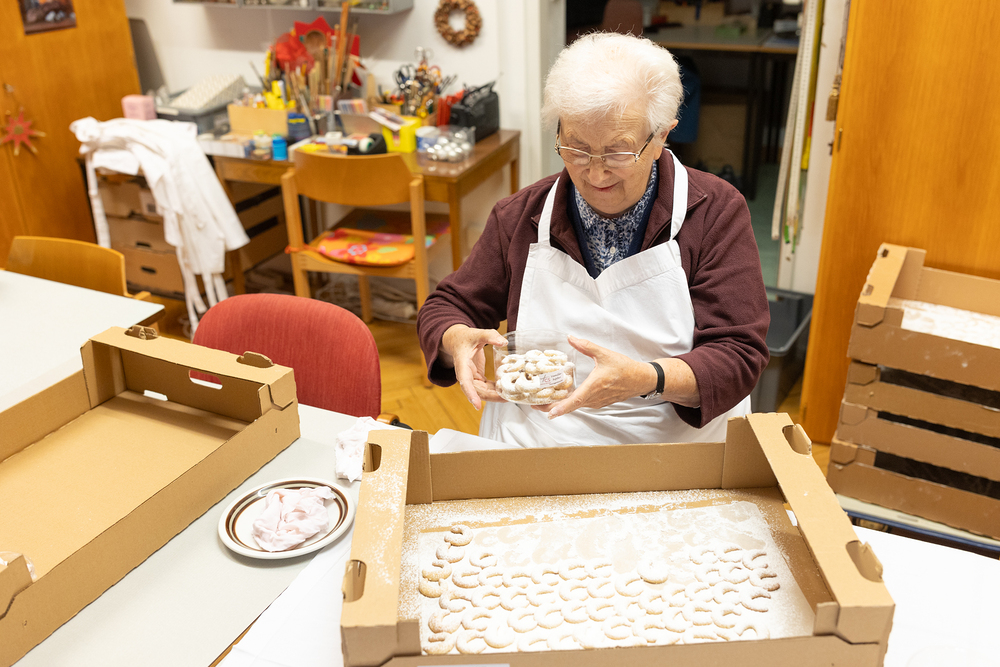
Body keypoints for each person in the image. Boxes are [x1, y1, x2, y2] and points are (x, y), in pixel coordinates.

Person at [417, 32, 769, 448]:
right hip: (543, 436)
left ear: (661, 137)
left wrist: (649, 378)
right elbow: (447, 306)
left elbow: (739, 353)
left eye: (618, 153)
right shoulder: (521, 215)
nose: (596, 174)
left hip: (672, 442)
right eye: (577, 149)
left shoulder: (714, 212)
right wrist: (455, 339)